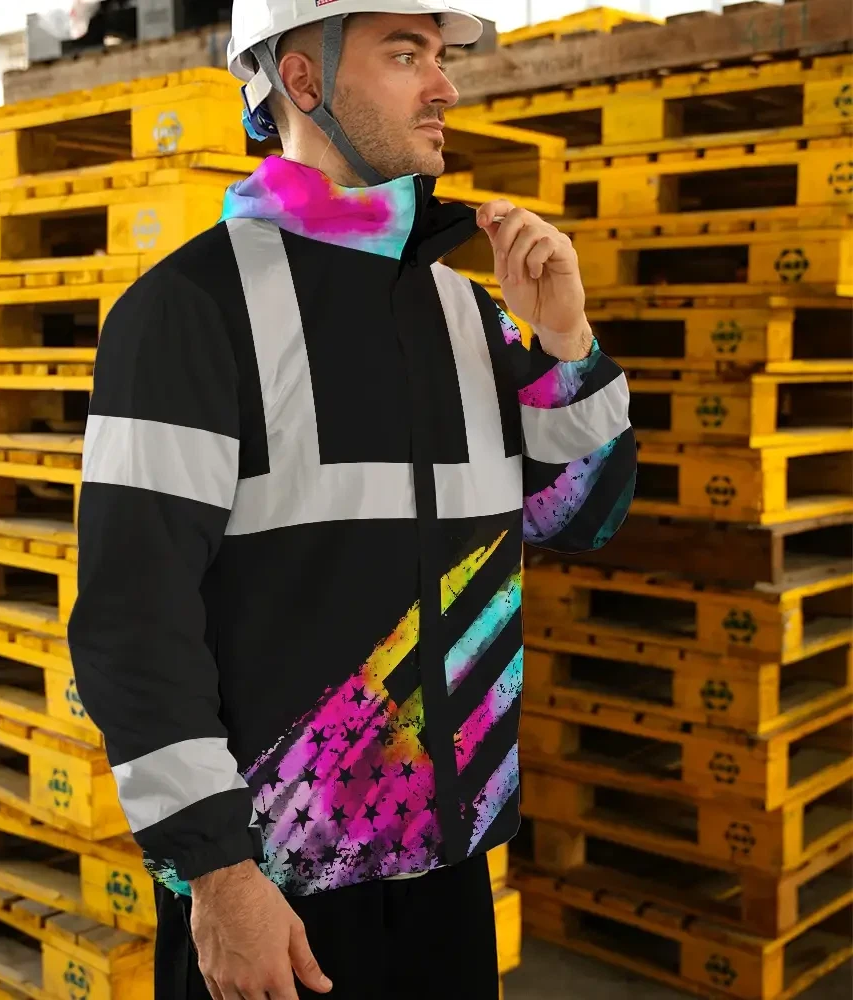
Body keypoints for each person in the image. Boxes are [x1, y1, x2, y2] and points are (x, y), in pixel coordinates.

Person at [67, 2, 636, 998]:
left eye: (441, 56)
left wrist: (565, 343)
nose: (444, 87)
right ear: (302, 80)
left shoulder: (467, 311)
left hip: (449, 873)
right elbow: (132, 621)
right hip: (275, 901)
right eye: (406, 55)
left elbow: (580, 519)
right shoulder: (188, 311)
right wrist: (216, 873)